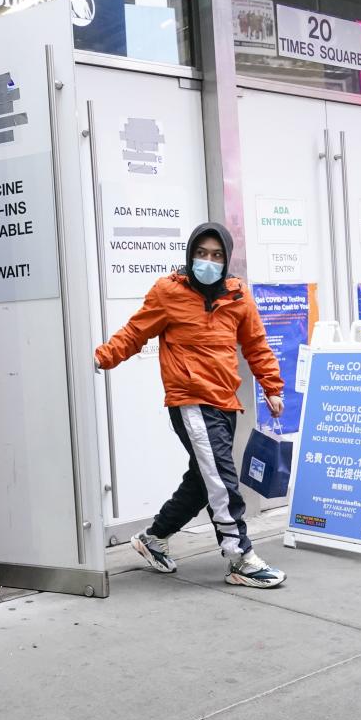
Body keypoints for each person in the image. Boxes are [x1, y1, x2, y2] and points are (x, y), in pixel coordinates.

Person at [94, 222, 288, 588]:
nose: (208, 261)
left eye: (216, 255)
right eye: (201, 254)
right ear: (190, 255)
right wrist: (102, 357)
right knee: (221, 481)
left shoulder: (237, 296)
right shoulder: (169, 292)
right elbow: (136, 332)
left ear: (226, 259)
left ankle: (153, 538)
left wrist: (272, 387)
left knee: (203, 479)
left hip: (225, 400)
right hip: (191, 400)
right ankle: (239, 558)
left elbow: (256, 345)